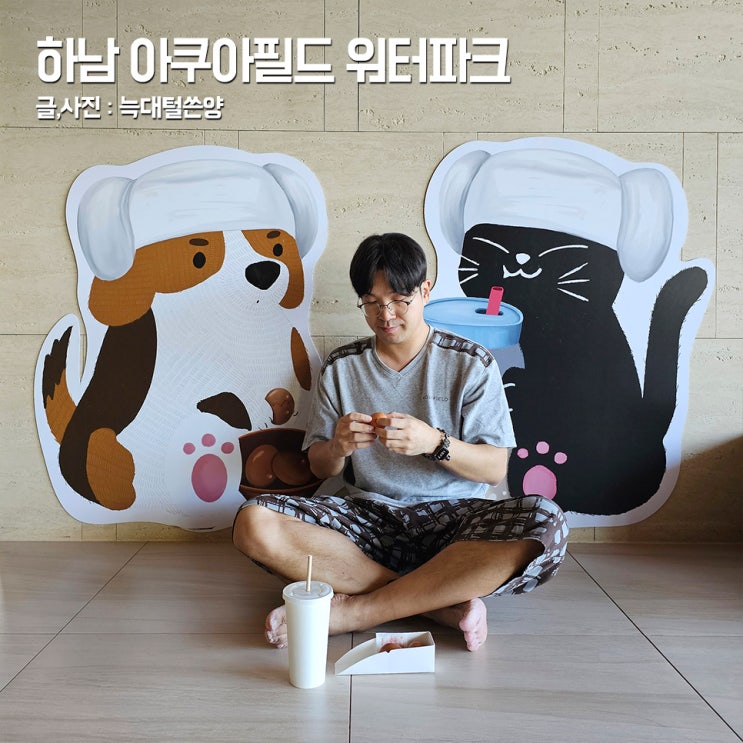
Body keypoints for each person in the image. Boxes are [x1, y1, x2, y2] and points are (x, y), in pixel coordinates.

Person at [233, 232, 568, 652]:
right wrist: (337, 446)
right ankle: (437, 604)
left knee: (546, 523)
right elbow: (319, 468)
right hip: (365, 520)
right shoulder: (341, 367)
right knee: (253, 522)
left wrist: (435, 442)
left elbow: (494, 468)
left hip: (454, 523)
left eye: (398, 300)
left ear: (425, 291)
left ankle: (355, 611)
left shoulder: (471, 363)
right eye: (371, 302)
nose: (385, 314)